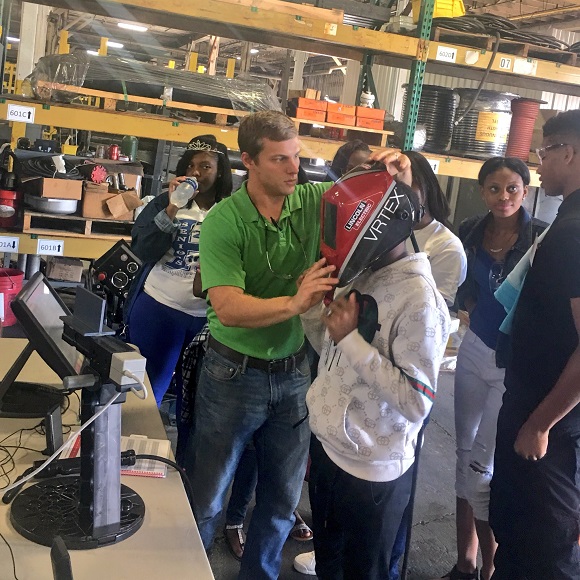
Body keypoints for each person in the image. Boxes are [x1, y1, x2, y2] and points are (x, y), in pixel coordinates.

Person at [294, 149, 468, 578]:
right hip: (331, 449)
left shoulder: (420, 299)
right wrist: (311, 307)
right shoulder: (365, 273)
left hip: (371, 470)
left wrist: (352, 341)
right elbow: (328, 352)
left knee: (362, 570)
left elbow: (417, 399)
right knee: (330, 565)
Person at [186, 110, 338, 580]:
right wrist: (295, 303)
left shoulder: (311, 200)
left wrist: (389, 170)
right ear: (249, 161)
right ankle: (190, 570)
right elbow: (229, 308)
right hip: (232, 374)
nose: (295, 168)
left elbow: (361, 191)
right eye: (279, 159)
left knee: (282, 500)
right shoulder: (224, 223)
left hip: (293, 374)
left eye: (296, 157)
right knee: (209, 497)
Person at [442, 157, 545, 580]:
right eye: (494, 189)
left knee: (482, 467)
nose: (503, 197)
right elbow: (458, 279)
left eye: (512, 189)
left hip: (511, 361)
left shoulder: (542, 236)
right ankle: (464, 562)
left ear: (525, 190)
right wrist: (466, 305)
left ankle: (490, 568)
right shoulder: (469, 230)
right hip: (473, 350)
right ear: (483, 191)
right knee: (462, 454)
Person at [489, 110, 580, 579]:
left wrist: (541, 424)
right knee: (522, 532)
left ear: (569, 152)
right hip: (545, 411)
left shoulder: (573, 233)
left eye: (545, 153)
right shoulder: (568, 220)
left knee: (541, 547)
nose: (540, 164)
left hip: (548, 421)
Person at [125, 134, 232, 412]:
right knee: (144, 395)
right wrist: (173, 206)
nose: (196, 172)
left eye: (205, 166)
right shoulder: (164, 203)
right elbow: (144, 248)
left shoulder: (231, 211)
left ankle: (185, 455)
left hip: (206, 321)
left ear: (220, 171)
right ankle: (134, 451)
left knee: (197, 403)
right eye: (190, 166)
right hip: (159, 309)